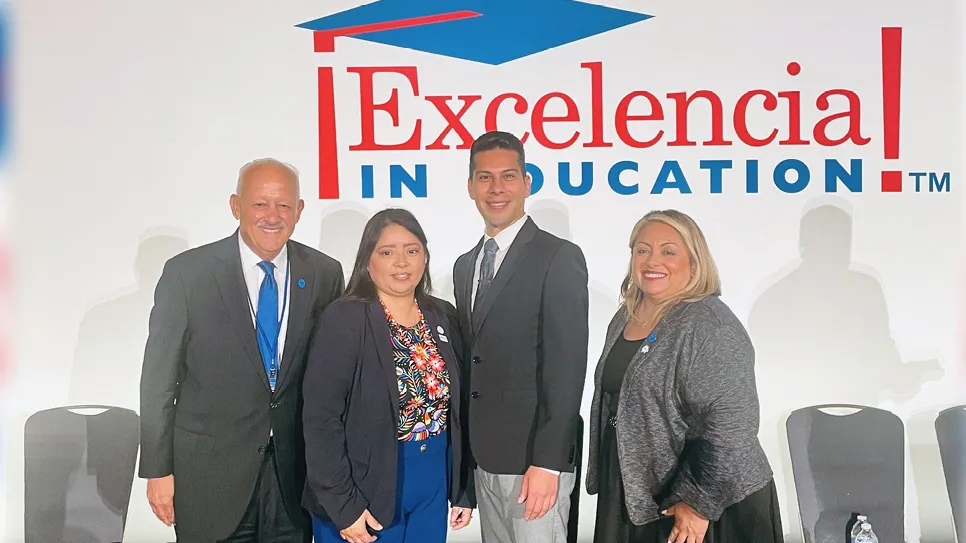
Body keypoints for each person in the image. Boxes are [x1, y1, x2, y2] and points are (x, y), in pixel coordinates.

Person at [138, 158, 345, 542]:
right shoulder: (189, 274)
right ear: (236, 206)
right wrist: (157, 470)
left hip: (292, 478)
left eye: (284, 205)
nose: (273, 216)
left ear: (299, 210)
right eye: (260, 204)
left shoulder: (323, 273)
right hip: (208, 478)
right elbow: (158, 382)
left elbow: (331, 378)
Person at [585, 209, 783, 543]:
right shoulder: (627, 314)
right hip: (640, 492)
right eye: (642, 250)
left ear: (694, 261)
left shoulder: (709, 325)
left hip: (711, 501)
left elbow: (733, 427)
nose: (652, 260)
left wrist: (698, 503)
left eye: (668, 251)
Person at [302, 208, 475, 543]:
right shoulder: (343, 319)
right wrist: (343, 505)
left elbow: (458, 411)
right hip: (362, 489)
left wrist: (462, 488)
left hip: (432, 484)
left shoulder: (442, 316)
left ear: (424, 258)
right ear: (368, 261)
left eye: (412, 251)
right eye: (387, 252)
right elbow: (321, 420)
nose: (401, 262)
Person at [453, 130, 589, 542]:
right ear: (471, 186)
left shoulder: (558, 257)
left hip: (534, 466)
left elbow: (567, 367)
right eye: (485, 177)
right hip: (484, 463)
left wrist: (548, 463)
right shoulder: (464, 265)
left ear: (527, 183)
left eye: (509, 176)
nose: (497, 189)